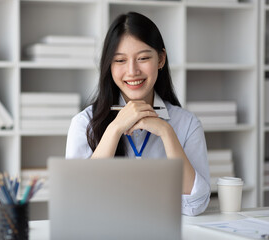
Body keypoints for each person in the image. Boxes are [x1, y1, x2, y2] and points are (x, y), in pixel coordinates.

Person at [65, 12, 210, 216]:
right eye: (120, 60)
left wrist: (167, 133)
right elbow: (76, 203)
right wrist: (114, 130)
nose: (132, 71)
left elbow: (195, 205)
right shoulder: (84, 123)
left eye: (142, 58)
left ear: (160, 59)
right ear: (109, 65)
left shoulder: (186, 123)